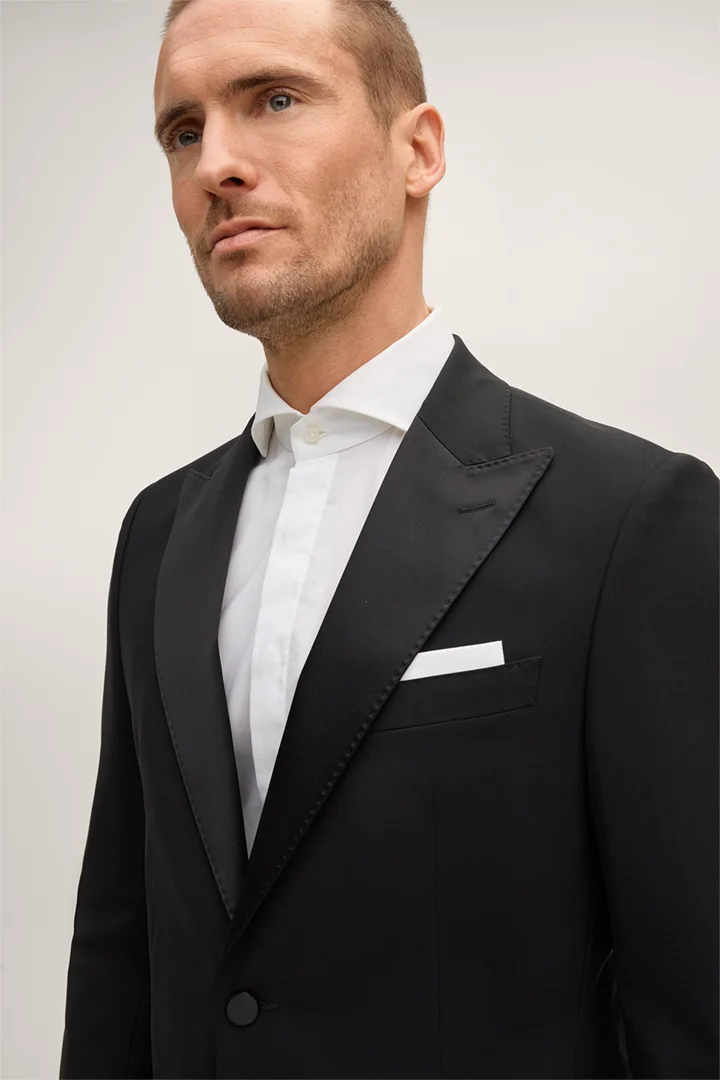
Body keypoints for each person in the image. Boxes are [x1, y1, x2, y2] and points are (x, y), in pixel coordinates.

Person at [59, 0, 719, 1076]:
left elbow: (694, 995)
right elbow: (120, 954)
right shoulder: (159, 536)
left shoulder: (630, 519)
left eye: (275, 99)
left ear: (418, 151)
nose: (216, 164)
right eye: (183, 130)